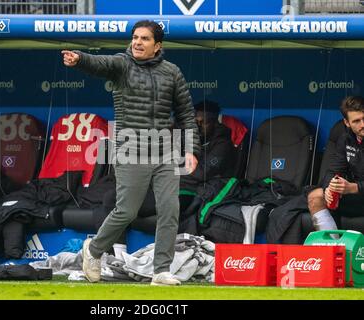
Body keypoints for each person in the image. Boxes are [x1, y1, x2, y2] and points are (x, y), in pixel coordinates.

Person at [62, 20, 200, 285]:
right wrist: (79, 59)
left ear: (157, 45)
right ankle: (93, 250)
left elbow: (186, 114)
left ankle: (161, 270)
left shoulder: (172, 72)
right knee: (126, 211)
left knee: (170, 209)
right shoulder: (121, 64)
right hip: (131, 149)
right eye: (135, 37)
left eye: (145, 39)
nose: (137, 42)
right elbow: (98, 63)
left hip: (165, 150)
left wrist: (191, 149)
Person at [307, 96, 364, 231]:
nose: (363, 124)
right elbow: (333, 171)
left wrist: (354, 187)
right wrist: (328, 188)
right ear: (347, 123)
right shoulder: (346, 139)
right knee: (315, 197)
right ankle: (333, 247)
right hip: (359, 195)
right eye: (356, 121)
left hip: (358, 189)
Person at [180, 100, 237, 191]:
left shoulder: (223, 144)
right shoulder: (195, 137)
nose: (198, 126)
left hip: (210, 193)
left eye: (203, 122)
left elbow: (201, 174)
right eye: (196, 122)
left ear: (215, 123)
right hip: (188, 186)